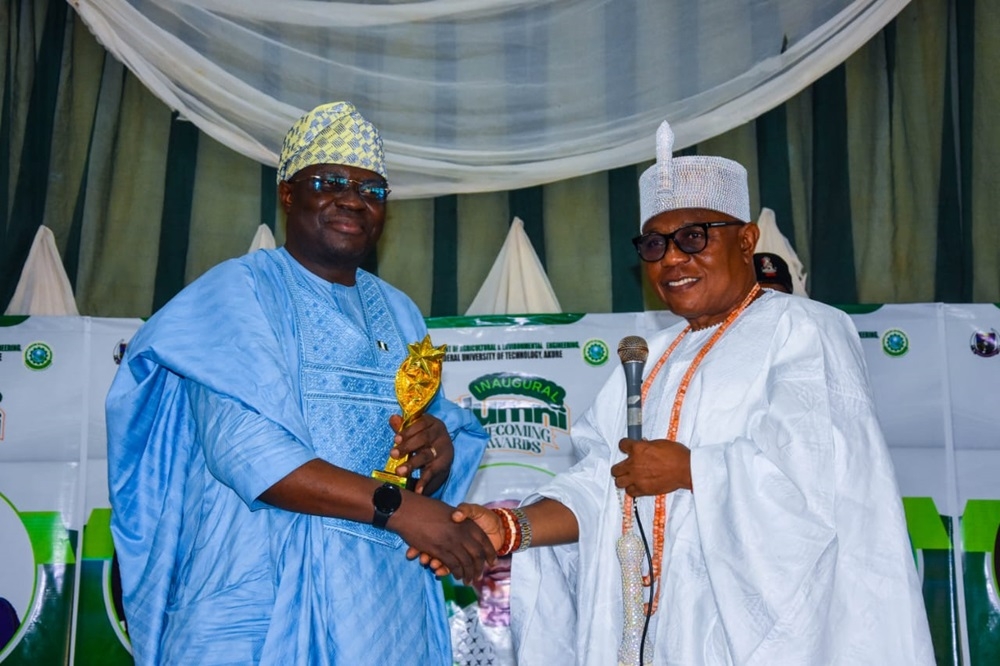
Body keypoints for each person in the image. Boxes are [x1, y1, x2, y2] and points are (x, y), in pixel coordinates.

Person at [429, 120, 935, 664]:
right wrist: (509, 527)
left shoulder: (805, 328)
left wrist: (692, 470)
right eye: (654, 244)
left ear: (745, 240)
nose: (670, 259)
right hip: (654, 639)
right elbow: (601, 490)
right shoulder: (650, 360)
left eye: (693, 238)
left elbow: (820, 483)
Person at [106, 101, 495, 666]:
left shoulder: (402, 312)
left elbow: (426, 437)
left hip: (382, 606)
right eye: (330, 182)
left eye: (371, 190)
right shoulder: (238, 293)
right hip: (260, 592)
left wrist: (438, 448)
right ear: (288, 193)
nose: (353, 200)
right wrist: (402, 509)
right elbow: (247, 451)